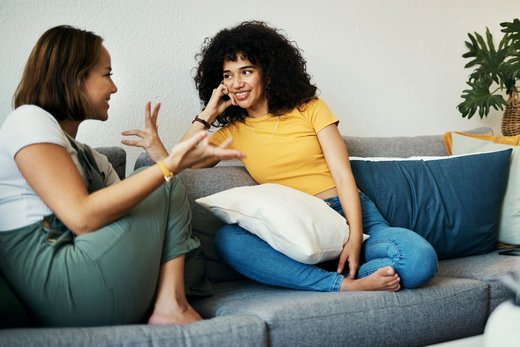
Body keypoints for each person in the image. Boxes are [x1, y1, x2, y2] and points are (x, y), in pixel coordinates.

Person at [131, 21, 438, 293]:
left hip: (350, 215)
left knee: (419, 260)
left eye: (246, 71)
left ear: (268, 71)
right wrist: (208, 114)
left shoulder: (311, 108)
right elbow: (178, 164)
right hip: (296, 229)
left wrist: (355, 239)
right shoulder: (233, 132)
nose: (236, 84)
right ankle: (341, 283)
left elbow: (344, 176)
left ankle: (332, 272)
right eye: (228, 75)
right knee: (228, 240)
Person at [0, 25, 244, 327]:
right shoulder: (28, 120)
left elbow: (152, 217)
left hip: (92, 274)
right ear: (73, 77)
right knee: (163, 181)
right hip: (60, 281)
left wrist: (172, 153)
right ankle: (171, 304)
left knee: (163, 184)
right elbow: (81, 216)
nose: (114, 88)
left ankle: (171, 301)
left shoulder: (94, 159)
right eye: (107, 74)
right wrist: (168, 167)